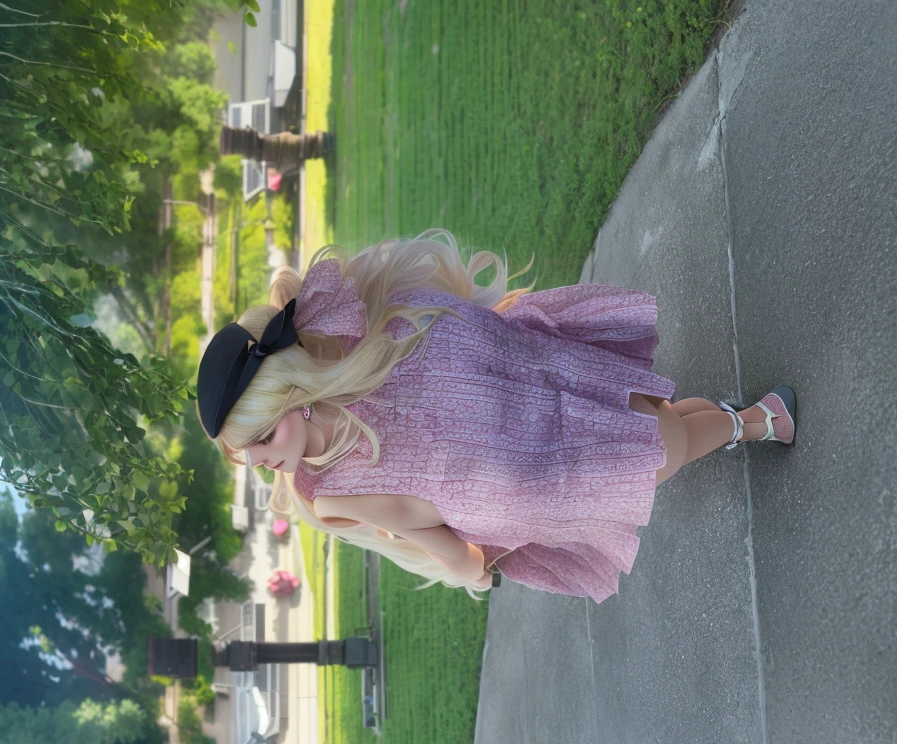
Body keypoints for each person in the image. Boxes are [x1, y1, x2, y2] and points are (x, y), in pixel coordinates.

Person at [195, 230, 796, 601]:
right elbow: (419, 524)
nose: (268, 462)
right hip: (541, 481)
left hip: (547, 383)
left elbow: (455, 324)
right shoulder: (329, 491)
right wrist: (472, 572)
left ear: (289, 393)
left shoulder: (360, 336)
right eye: (255, 457)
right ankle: (752, 422)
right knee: (664, 446)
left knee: (664, 428)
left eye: (264, 437)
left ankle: (732, 422)